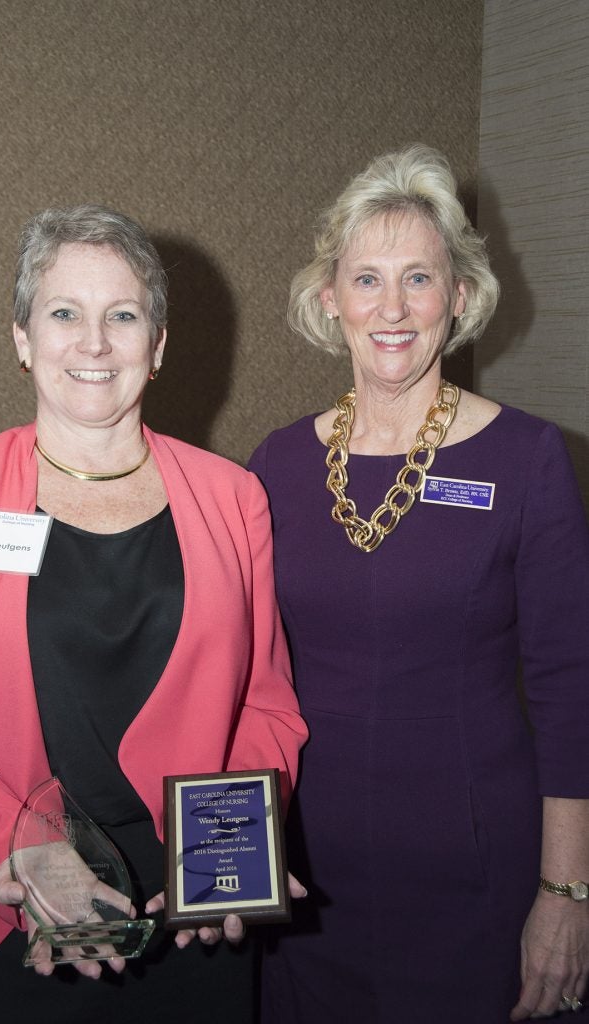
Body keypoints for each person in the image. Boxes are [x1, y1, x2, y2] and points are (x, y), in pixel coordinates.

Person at [0, 204, 308, 1024]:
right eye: (64, 313)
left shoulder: (234, 500)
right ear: (22, 337)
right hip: (7, 902)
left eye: (122, 316)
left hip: (185, 908)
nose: (93, 343)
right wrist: (19, 846)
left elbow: (265, 708)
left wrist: (235, 851)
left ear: (155, 346)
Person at [248, 146, 589, 1023]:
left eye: (418, 279)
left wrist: (566, 892)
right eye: (365, 279)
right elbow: (244, 677)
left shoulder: (527, 458)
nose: (391, 309)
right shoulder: (277, 465)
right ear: (331, 300)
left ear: (461, 298)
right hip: (307, 866)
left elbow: (568, 689)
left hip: (474, 863)